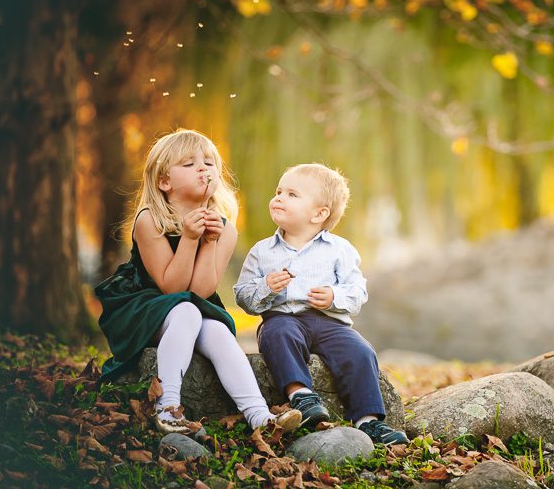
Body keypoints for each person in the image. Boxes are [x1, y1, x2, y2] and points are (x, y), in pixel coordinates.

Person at [95, 129, 301, 435]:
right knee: (187, 311)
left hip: (193, 304)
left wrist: (208, 243)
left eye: (209, 162)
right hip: (145, 305)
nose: (203, 168)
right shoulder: (150, 220)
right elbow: (172, 290)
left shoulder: (225, 229)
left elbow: (201, 292)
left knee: (217, 330)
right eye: (189, 164)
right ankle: (168, 408)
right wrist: (189, 238)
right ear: (165, 182)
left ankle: (260, 416)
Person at [234, 163, 409, 445]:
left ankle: (368, 421)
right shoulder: (261, 252)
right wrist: (266, 287)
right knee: (276, 335)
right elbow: (243, 296)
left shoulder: (340, 249)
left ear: (319, 213)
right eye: (278, 191)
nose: (278, 197)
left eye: (292, 194)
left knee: (361, 351)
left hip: (329, 323)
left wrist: (333, 297)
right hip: (283, 318)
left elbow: (356, 292)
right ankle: (301, 396)